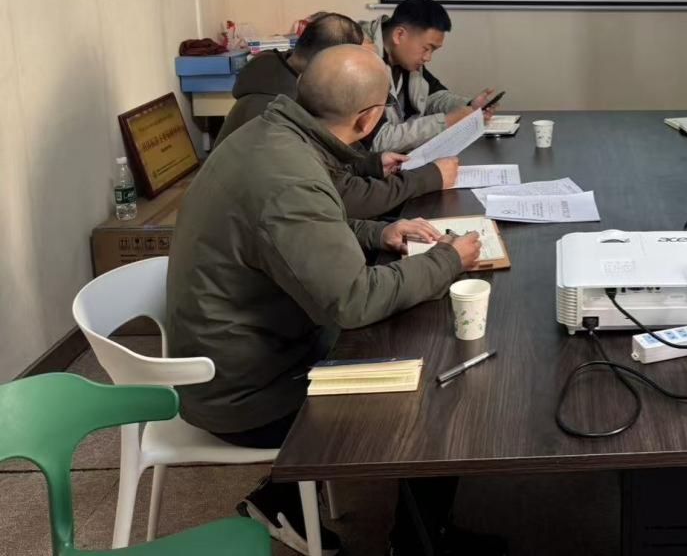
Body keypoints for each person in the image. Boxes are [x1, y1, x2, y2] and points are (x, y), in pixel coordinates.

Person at [166, 45, 482, 554]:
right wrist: (448, 259)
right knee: (437, 391)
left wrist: (380, 233)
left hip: (239, 354)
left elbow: (304, 227)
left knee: (410, 342)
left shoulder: (268, 132)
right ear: (369, 118)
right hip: (247, 395)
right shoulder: (287, 176)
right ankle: (416, 543)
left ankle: (282, 496)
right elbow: (352, 301)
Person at [213, 12, 458, 218]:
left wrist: (372, 163)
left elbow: (330, 162)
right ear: (329, 61)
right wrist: (428, 178)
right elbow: (340, 197)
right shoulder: (275, 116)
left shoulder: (290, 85)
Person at [362, 0, 498, 153]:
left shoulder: (405, 60)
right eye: (426, 48)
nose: (428, 58)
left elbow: (433, 96)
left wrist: (469, 105)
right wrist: (445, 122)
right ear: (399, 35)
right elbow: (376, 140)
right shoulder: (360, 64)